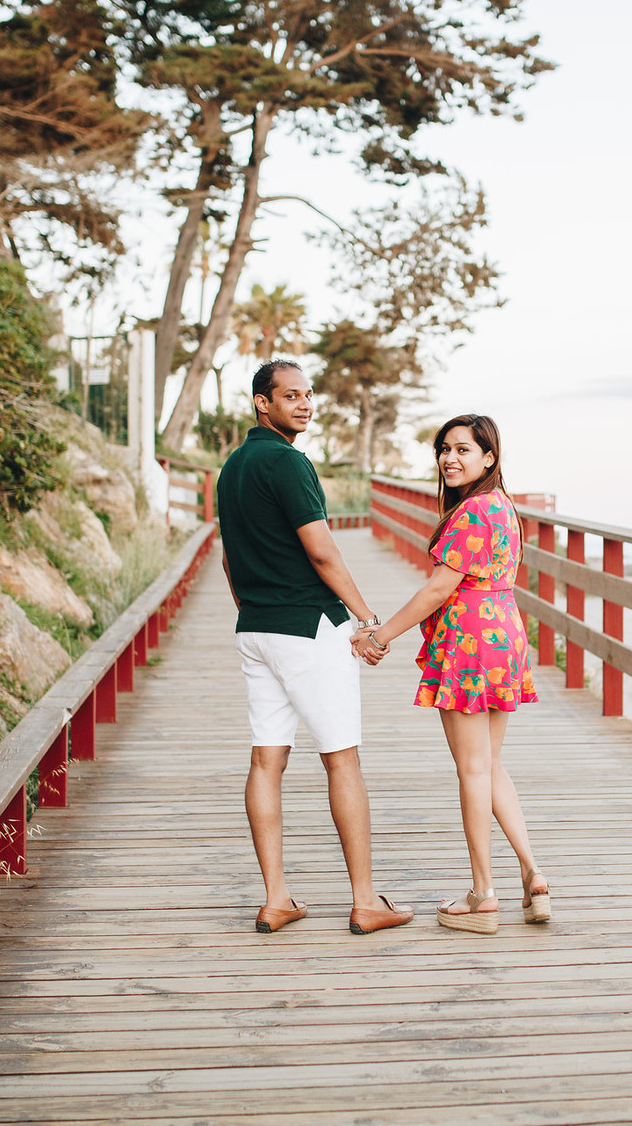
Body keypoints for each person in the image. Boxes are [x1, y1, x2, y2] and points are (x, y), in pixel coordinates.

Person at [216, 360, 413, 936]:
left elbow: (229, 557)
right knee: (341, 757)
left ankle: (277, 898)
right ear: (262, 403)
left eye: (308, 395)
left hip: (255, 628)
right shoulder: (289, 461)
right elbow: (323, 552)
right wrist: (369, 618)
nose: (304, 404)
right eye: (290, 395)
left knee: (265, 760)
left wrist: (254, 609)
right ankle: (364, 901)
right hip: (308, 627)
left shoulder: (230, 469)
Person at [353, 414, 548, 935]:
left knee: (471, 770)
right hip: (504, 634)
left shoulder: (471, 513)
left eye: (464, 450)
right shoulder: (505, 507)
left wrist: (380, 634)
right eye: (445, 449)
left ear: (490, 458)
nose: (450, 458)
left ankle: (484, 894)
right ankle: (533, 872)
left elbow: (439, 589)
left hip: (469, 642)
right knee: (489, 763)